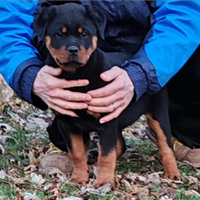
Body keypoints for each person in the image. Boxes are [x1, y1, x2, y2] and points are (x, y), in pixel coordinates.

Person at [0, 0, 200, 174]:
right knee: (46, 38)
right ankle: (67, 143)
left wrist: (142, 73)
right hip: (67, 40)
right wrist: (27, 73)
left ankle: (183, 133)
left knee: (189, 41)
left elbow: (185, 12)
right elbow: (10, 18)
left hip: (148, 43)